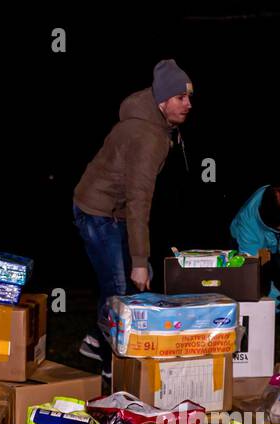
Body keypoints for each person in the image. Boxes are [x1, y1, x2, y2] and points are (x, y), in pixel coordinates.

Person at [73, 59, 192, 380]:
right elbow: (140, 201)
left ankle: (96, 338)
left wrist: (142, 261)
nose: (188, 105)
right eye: (181, 98)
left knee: (138, 280)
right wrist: (138, 259)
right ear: (163, 100)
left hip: (116, 210)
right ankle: (110, 362)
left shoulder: (155, 121)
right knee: (121, 285)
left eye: (189, 98)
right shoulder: (148, 137)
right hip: (99, 212)